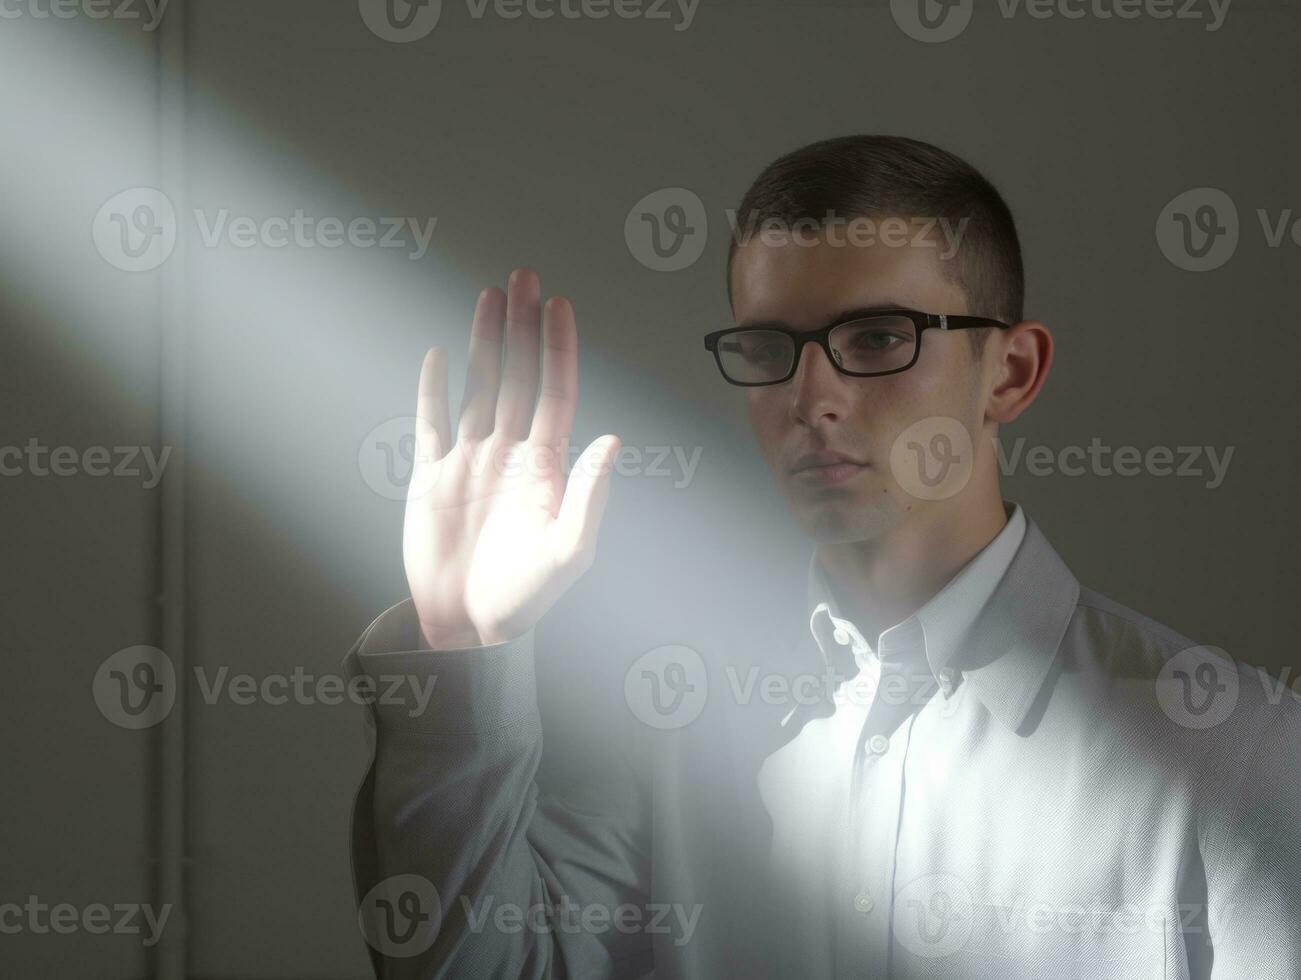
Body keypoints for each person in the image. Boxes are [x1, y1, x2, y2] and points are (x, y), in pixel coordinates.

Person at [346, 135, 1300, 978]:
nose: (812, 399)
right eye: (769, 346)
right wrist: (456, 643)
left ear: (1009, 372)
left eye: (877, 337)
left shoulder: (1230, 747)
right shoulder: (667, 719)